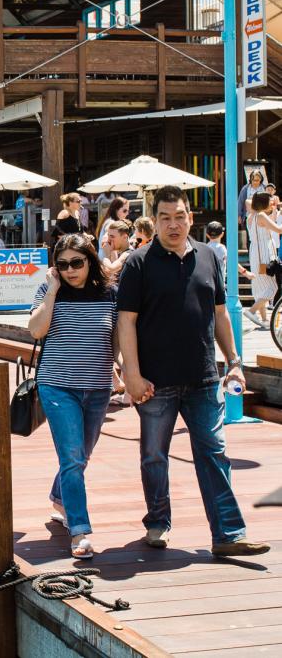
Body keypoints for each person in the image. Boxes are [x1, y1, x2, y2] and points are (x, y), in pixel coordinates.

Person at [117, 185, 269, 557]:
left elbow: (219, 314)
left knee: (214, 452)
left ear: (190, 218)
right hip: (155, 381)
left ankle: (228, 534)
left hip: (203, 376)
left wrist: (233, 362)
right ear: (154, 222)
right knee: (154, 455)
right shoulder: (138, 262)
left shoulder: (207, 257)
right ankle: (158, 520)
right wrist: (131, 375)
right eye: (165, 218)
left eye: (180, 216)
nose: (173, 225)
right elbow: (126, 321)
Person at [28, 233, 118, 559]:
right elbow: (36, 329)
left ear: (90, 261)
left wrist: (125, 373)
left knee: (81, 456)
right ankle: (79, 530)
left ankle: (59, 496)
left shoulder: (110, 294)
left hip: (97, 388)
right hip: (57, 386)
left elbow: (117, 338)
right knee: (72, 457)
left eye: (76, 263)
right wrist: (52, 289)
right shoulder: (51, 291)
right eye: (62, 264)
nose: (70, 270)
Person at [244, 191, 282, 329]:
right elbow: (278, 229)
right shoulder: (261, 215)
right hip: (264, 256)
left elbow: (249, 202)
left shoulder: (251, 216)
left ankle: (264, 320)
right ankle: (252, 311)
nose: (272, 204)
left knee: (261, 288)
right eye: (270, 201)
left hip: (256, 255)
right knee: (272, 287)